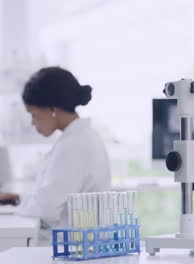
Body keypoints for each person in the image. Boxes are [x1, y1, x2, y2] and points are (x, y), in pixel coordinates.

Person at [0, 67, 111, 235]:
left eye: (33, 114)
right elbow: (52, 196)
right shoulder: (81, 137)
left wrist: (21, 204)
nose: (32, 122)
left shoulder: (73, 145)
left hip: (75, 248)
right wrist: (18, 199)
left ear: (52, 109)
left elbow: (47, 209)